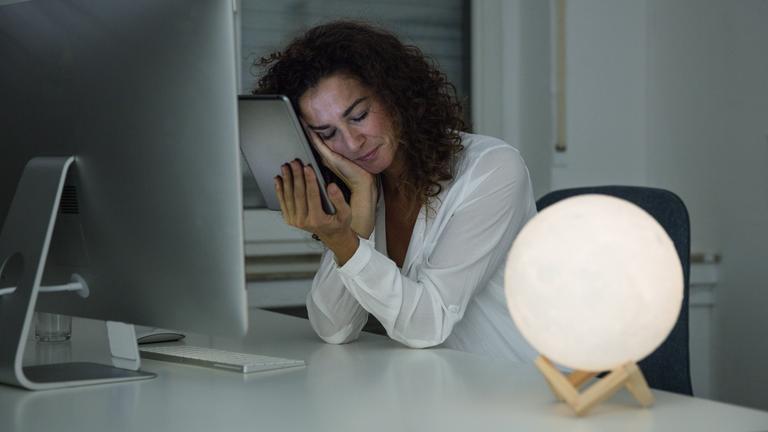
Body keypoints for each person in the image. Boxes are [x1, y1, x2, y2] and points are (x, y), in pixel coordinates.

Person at [254, 21, 537, 362]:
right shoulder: (365, 185)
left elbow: (428, 325)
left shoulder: (492, 169)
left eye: (358, 115)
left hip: (516, 389)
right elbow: (335, 327)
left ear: (395, 96)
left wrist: (345, 243)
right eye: (328, 134)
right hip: (432, 390)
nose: (351, 143)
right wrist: (353, 222)